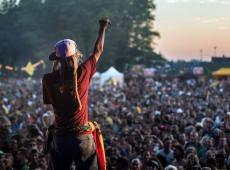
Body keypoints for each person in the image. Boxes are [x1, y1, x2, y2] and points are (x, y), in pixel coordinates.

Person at [42, 17, 110, 170]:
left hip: (60, 139)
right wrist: (102, 27)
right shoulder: (83, 72)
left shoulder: (47, 79)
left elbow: (48, 101)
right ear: (75, 56)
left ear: (57, 60)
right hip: (81, 138)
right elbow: (98, 50)